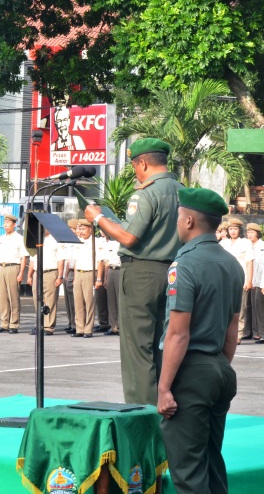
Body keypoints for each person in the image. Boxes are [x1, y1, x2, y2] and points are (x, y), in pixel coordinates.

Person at [85, 137, 184, 405]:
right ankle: (166, 403)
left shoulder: (146, 192)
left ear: (142, 163)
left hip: (141, 273)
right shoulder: (182, 190)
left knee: (137, 349)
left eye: (134, 166)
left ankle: (143, 413)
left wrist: (98, 218)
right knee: (163, 344)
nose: (135, 172)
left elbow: (129, 238)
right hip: (173, 273)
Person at [157, 188, 242, 494]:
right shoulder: (232, 264)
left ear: (190, 220)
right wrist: (217, 366)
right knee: (211, 463)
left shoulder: (185, 265)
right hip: (219, 368)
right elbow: (233, 328)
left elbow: (179, 332)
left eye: (179, 216)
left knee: (189, 472)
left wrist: (165, 387)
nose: (177, 222)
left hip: (190, 374)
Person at [219, 218, 254, 342]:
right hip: (224, 280)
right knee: (224, 307)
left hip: (241, 279)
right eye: (230, 229)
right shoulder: (223, 244)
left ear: (240, 230)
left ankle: (237, 335)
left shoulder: (245, 243)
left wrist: (249, 280)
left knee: (240, 308)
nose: (233, 231)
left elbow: (250, 262)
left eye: (235, 229)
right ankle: (224, 333)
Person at [0, 213, 27, 334]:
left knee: (13, 297)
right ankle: (4, 323)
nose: (5, 225)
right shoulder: (1, 238)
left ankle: (14, 324)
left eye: (8, 223)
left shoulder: (19, 238)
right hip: (2, 267)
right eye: (4, 223)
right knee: (3, 297)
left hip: (13, 267)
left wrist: (21, 273)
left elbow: (24, 257)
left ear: (14, 224)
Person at [29, 227, 62, 336]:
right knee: (37, 299)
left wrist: (60, 276)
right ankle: (39, 324)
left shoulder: (56, 240)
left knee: (50, 300)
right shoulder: (37, 239)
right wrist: (29, 275)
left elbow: (60, 259)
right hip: (37, 272)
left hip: (50, 272)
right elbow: (33, 259)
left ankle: (48, 326)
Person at [69, 219, 97, 338]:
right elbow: (75, 262)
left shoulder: (95, 242)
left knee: (89, 302)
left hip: (89, 273)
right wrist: (75, 277)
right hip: (79, 273)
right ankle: (79, 328)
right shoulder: (78, 242)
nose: (81, 231)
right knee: (78, 302)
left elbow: (100, 262)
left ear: (90, 229)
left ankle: (88, 329)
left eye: (83, 229)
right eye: (79, 229)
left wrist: (99, 278)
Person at [99, 233, 122, 336]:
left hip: (120, 270)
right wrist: (105, 278)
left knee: (120, 300)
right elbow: (107, 262)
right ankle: (113, 326)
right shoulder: (110, 244)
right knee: (111, 300)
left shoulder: (122, 241)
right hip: (111, 271)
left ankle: (121, 327)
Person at [248, 223, 264, 344]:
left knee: (260, 309)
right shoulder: (248, 246)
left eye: (252, 232)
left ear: (257, 233)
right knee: (253, 307)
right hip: (251, 281)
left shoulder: (262, 246)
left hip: (259, 281)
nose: (249, 235)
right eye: (248, 232)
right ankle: (256, 332)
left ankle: (262, 333)